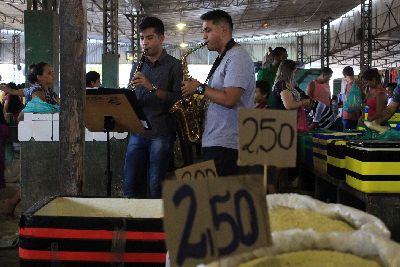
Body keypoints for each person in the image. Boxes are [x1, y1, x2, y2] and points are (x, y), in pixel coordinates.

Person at [181, 9, 255, 176]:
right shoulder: (224, 58)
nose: (204, 36)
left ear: (223, 30)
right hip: (217, 141)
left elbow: (230, 99)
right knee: (212, 199)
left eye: (207, 30)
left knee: (221, 199)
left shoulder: (237, 57)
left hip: (227, 145)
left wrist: (199, 88)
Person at [123, 17, 182, 198]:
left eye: (149, 38)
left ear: (161, 38)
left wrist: (152, 87)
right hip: (137, 131)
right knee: (130, 184)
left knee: (156, 186)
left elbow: (178, 100)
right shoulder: (137, 65)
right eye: (142, 38)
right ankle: (133, 224)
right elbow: (132, 95)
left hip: (161, 133)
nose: (144, 43)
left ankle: (156, 224)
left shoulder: (174, 66)